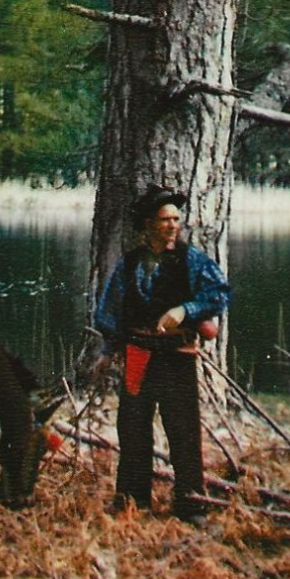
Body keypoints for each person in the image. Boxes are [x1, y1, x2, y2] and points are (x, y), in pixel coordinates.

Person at [95, 184, 230, 526]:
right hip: (138, 357)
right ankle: (131, 501)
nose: (173, 225)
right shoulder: (128, 266)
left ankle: (191, 505)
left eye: (175, 219)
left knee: (183, 431)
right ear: (147, 225)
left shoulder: (193, 261)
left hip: (177, 357)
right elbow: (110, 312)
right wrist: (107, 352)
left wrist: (187, 309)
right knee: (133, 428)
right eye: (164, 219)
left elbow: (219, 294)